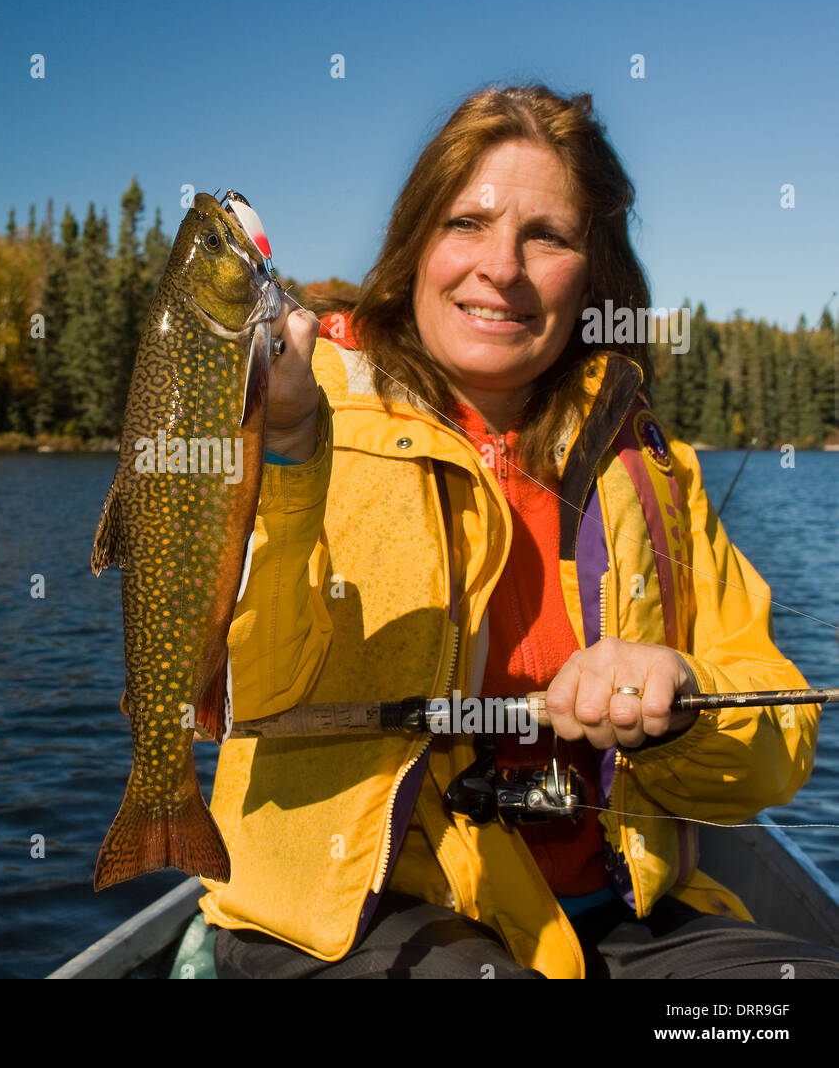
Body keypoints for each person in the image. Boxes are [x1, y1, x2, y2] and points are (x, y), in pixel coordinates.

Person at [200, 84, 839, 979]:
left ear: (595, 272)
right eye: (467, 222)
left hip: (611, 921)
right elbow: (237, 689)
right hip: (349, 916)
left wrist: (681, 697)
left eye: (547, 236)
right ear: (416, 240)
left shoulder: (654, 469)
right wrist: (290, 458)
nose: (501, 265)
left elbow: (779, 747)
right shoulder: (297, 412)